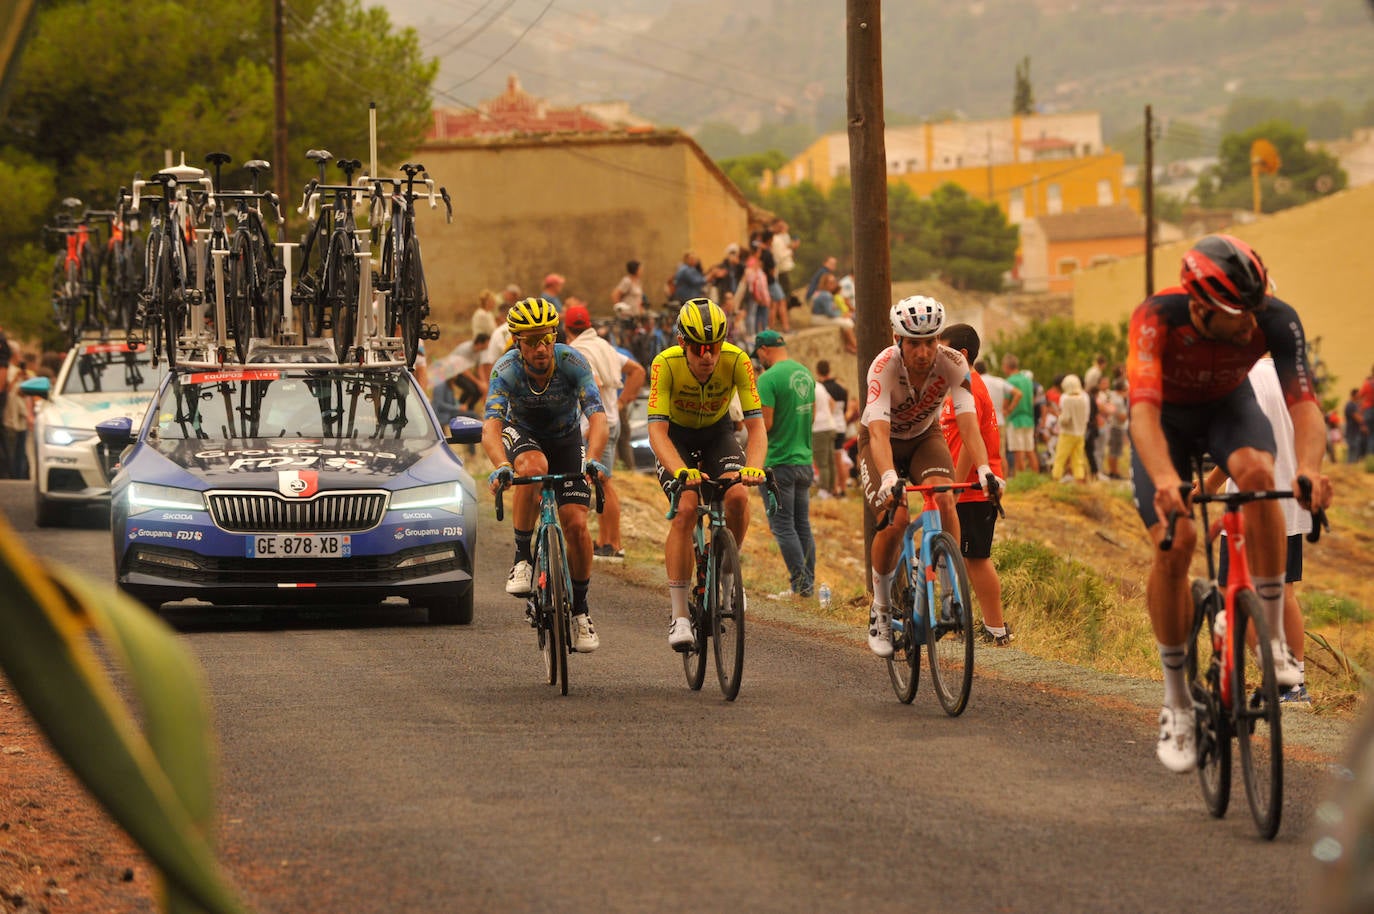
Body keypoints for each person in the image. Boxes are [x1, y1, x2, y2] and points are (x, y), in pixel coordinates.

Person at [1126, 233, 1332, 773]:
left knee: (1261, 474)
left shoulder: (1275, 317)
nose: (1250, 325)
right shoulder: (1156, 318)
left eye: (1255, 309)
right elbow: (1142, 415)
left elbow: (1305, 405)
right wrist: (1169, 480)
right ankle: (1176, 702)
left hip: (1226, 409)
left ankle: (1272, 642)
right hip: (1165, 421)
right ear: (1199, 308)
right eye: (1236, 315)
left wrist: (1310, 468)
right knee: (1179, 542)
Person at [859, 296, 999, 658]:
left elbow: (969, 424)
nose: (923, 352)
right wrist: (889, 476)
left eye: (930, 341)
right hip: (882, 440)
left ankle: (951, 592)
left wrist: (984, 469)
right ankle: (881, 608)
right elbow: (877, 432)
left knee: (945, 495)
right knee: (896, 517)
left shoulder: (953, 362)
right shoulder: (883, 366)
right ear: (898, 340)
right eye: (914, 343)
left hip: (924, 438)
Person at [482, 298, 610, 653]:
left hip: (567, 440)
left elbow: (597, 417)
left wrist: (595, 458)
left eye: (546, 339)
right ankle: (522, 558)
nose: (540, 348)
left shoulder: (572, 362)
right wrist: (500, 464)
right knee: (533, 468)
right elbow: (491, 426)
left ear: (556, 336)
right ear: (517, 342)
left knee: (577, 526)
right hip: (523, 435)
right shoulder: (506, 369)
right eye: (531, 340)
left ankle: (581, 610)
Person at [646, 298, 767, 651]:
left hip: (717, 433)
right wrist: (681, 470)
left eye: (713, 347)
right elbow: (656, 433)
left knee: (739, 496)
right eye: (698, 348)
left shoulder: (738, 360)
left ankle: (729, 574)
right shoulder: (664, 364)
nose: (707, 356)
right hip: (676, 438)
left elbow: (756, 428)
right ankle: (680, 615)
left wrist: (754, 467)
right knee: (685, 509)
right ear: (682, 342)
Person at [1208, 358, 1317, 706]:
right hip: (1289, 498)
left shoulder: (1240, 377)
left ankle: (1270, 676)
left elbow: (1236, 448)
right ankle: (1295, 685)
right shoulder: (1290, 375)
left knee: (1235, 592)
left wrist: (1205, 484)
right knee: (1285, 591)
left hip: (1250, 499)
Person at [939, 323, 1012, 645]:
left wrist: (954, 487)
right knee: (965, 558)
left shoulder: (970, 387)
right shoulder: (962, 385)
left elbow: (972, 440)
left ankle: (996, 629)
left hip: (970, 489)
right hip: (962, 487)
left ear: (962, 354)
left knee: (976, 558)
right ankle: (961, 623)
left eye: (945, 349)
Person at [564, 303, 645, 563]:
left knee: (604, 482)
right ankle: (605, 541)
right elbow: (638, 370)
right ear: (588, 325)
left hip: (598, 424)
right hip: (612, 420)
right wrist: (621, 403)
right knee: (601, 481)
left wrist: (588, 428)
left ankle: (613, 544)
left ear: (567, 330)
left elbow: (593, 384)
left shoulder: (578, 351)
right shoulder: (604, 346)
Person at [753, 330, 816, 599]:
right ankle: (808, 588)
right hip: (803, 460)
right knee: (802, 524)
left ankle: (800, 586)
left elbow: (764, 425)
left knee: (782, 526)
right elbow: (810, 419)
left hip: (778, 463)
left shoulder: (767, 379)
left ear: (764, 350)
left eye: (759, 355)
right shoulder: (804, 373)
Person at [1001, 353, 1038, 474]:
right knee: (1030, 450)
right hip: (1029, 418)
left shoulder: (1010, 381)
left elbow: (1006, 400)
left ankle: (1020, 480)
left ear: (1007, 366)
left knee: (1018, 451)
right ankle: (1035, 476)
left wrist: (1008, 410)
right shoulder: (1027, 380)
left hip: (1015, 419)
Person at [1050, 374, 1090, 483]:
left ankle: (1055, 478)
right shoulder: (1083, 399)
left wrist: (1059, 416)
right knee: (1078, 459)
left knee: (1060, 458)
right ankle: (1079, 480)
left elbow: (1066, 419)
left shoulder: (1067, 400)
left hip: (1067, 433)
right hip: (1080, 433)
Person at [1344, 388, 1365, 462]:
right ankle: (1350, 466)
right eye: (1358, 394)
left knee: (1355, 451)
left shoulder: (1354, 405)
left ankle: (1351, 465)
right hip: (1352, 432)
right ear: (1354, 395)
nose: (1360, 395)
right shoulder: (1350, 405)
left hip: (1354, 431)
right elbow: (1358, 418)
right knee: (1353, 450)